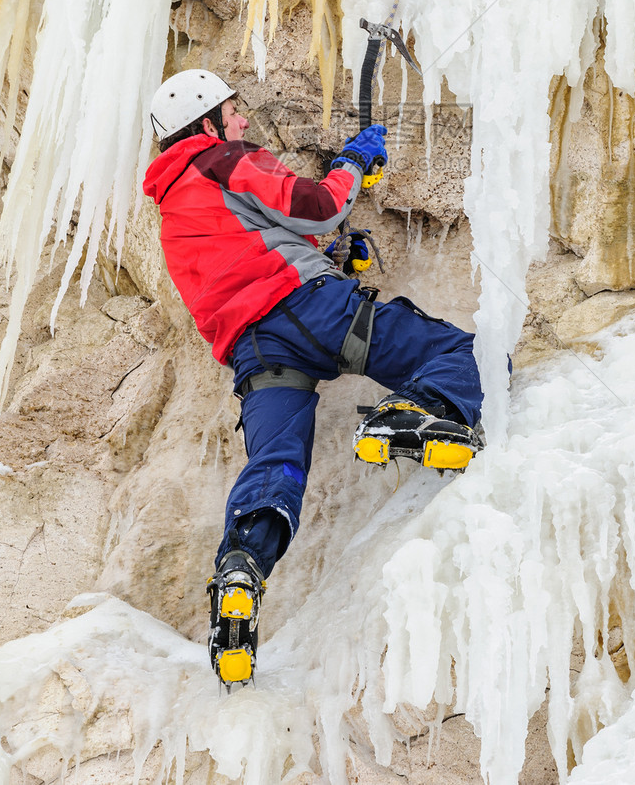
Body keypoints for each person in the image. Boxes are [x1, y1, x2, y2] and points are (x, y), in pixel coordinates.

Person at [143, 68, 484, 685]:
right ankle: (415, 414)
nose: (242, 120)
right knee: (459, 352)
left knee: (276, 469)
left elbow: (246, 259)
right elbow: (319, 205)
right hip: (312, 311)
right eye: (232, 110)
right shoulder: (224, 159)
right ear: (206, 123)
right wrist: (353, 162)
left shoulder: (172, 213)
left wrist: (328, 258)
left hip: (257, 352)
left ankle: (241, 573)